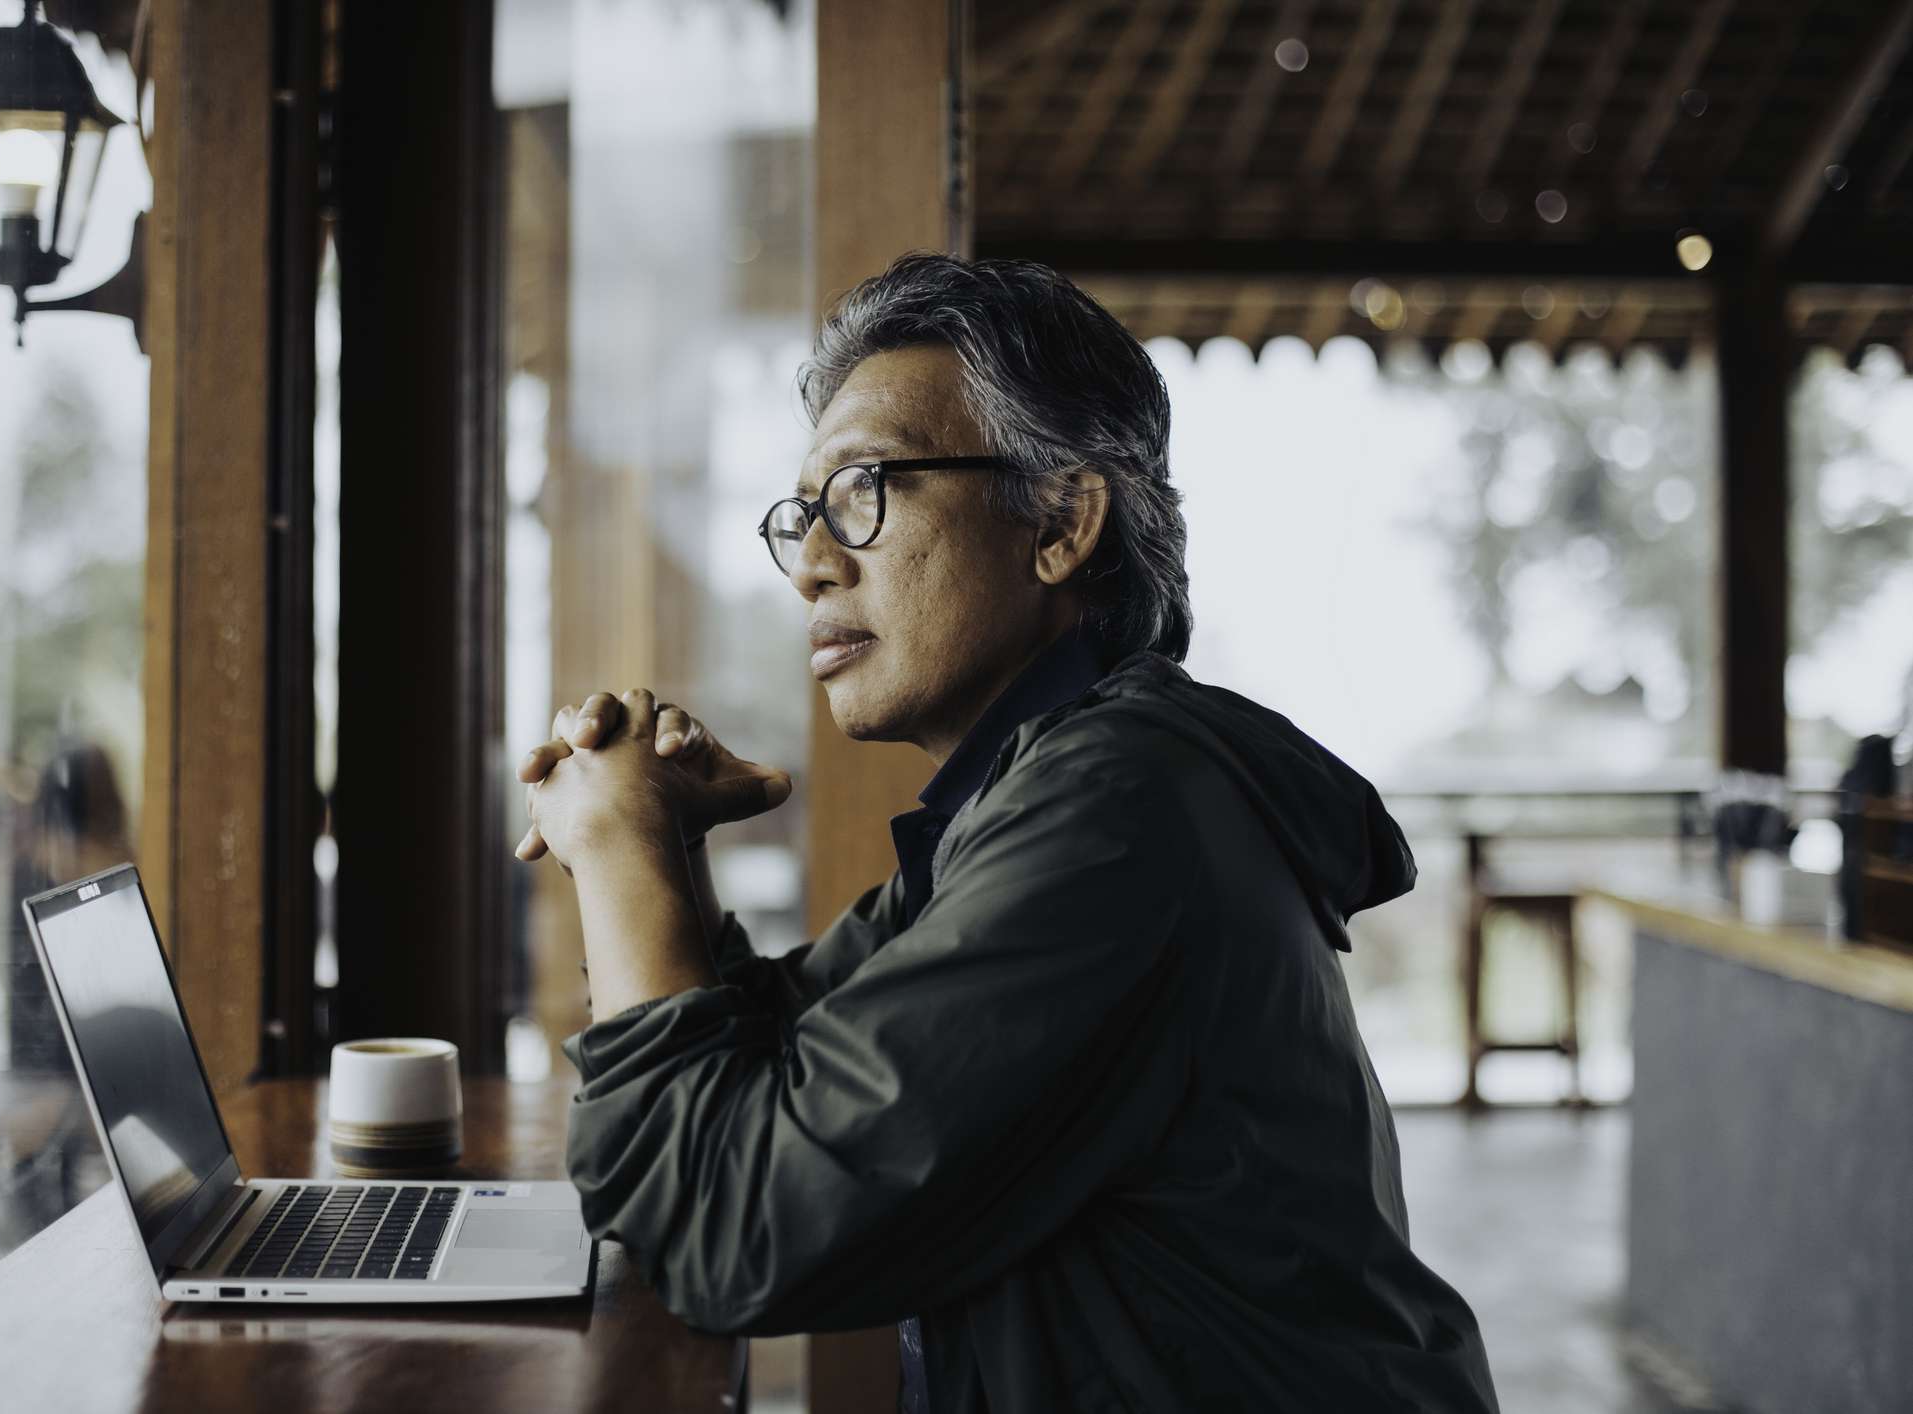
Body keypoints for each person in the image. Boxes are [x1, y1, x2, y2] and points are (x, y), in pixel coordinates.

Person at [515, 254, 1498, 1412]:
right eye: (804, 517)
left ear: (1062, 522)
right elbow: (780, 1084)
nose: (815, 565)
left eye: (866, 489)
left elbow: (724, 1226)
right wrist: (669, 847)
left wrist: (620, 844)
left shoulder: (1121, 813)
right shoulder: (1022, 801)